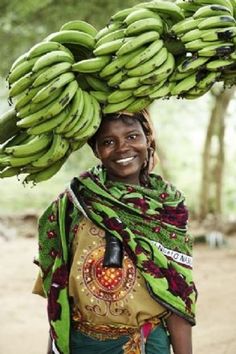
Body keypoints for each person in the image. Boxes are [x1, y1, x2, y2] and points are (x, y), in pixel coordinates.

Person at [33, 109, 197, 354]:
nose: (122, 148)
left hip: (145, 344)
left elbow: (177, 294)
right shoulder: (75, 203)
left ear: (148, 139)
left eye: (132, 137)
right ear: (96, 150)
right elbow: (59, 290)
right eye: (108, 142)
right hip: (82, 344)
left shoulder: (166, 210)